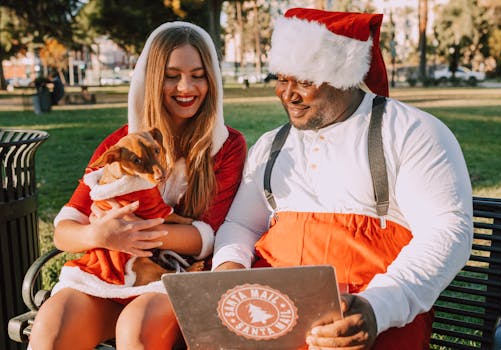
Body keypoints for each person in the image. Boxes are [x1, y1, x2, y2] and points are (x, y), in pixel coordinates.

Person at [212, 8, 473, 350]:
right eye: (282, 79)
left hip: (372, 315)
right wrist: (228, 268)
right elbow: (242, 224)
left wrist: (378, 307)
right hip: (274, 315)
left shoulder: (410, 132)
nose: (287, 94)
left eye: (305, 81)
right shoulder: (271, 146)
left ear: (343, 75)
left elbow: (447, 230)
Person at [30, 21, 247, 350]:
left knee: (137, 327)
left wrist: (134, 233)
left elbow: (210, 236)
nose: (185, 87)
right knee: (52, 324)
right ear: (151, 79)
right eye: (171, 76)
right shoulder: (122, 143)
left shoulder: (227, 146)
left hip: (176, 275)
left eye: (198, 74)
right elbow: (65, 229)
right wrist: (97, 235)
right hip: (109, 270)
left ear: (212, 79)